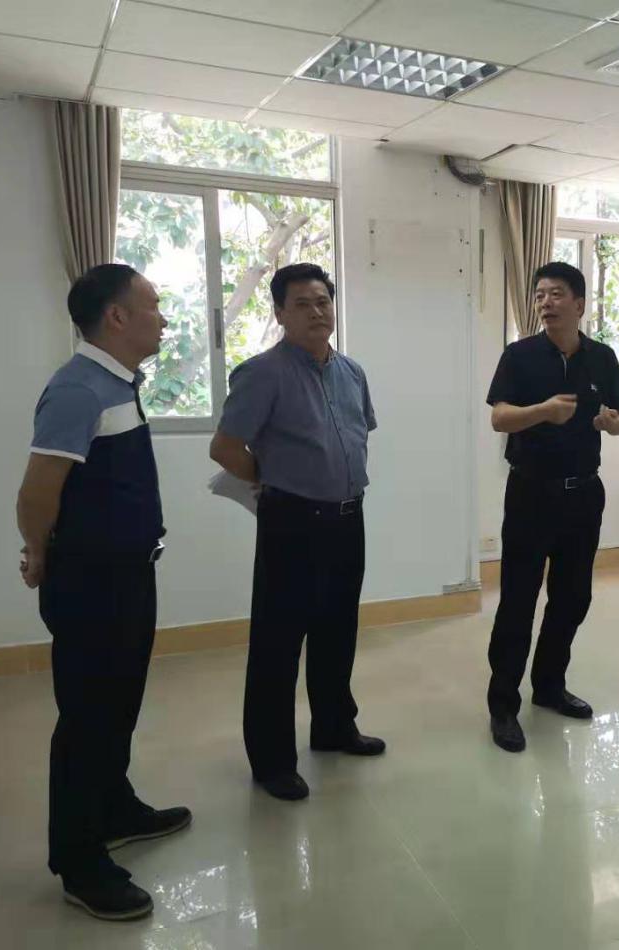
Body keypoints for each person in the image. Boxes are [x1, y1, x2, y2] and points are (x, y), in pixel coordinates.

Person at [16, 264, 191, 920]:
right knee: (88, 718)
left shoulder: (117, 382)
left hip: (128, 575)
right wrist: (39, 552)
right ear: (116, 317)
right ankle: (79, 862)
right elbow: (37, 491)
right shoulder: (77, 390)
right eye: (153, 306)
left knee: (118, 705)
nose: (163, 318)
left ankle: (114, 808)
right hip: (90, 583)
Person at [209, 263, 384, 802]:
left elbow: (359, 432)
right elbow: (225, 447)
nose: (316, 311)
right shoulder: (262, 373)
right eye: (302, 303)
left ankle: (333, 727)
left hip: (348, 518)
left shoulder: (352, 372)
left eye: (323, 301)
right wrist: (273, 480)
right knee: (278, 642)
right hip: (292, 523)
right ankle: (271, 761)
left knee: (338, 630)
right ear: (280, 313)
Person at [485, 261, 619, 753]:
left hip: (583, 494)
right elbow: (500, 419)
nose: (545, 303)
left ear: (579, 304)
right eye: (540, 295)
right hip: (531, 493)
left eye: (556, 294)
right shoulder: (519, 356)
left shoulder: (602, 357)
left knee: (572, 597)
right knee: (518, 600)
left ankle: (549, 685)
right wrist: (543, 412)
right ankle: (503, 705)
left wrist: (611, 423)